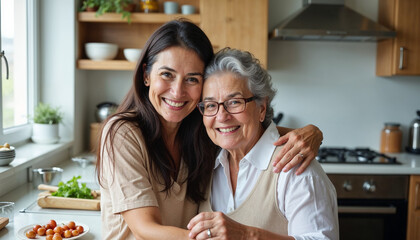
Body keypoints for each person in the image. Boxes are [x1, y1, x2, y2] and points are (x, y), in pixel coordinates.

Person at [96, 20, 323, 239]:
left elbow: (247, 127)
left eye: (192, 79)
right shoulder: (123, 133)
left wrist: (312, 133)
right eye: (167, 74)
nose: (177, 92)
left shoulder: (197, 132)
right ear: (146, 75)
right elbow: (146, 229)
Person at [187, 48, 338, 240]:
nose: (222, 116)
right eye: (210, 105)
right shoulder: (205, 164)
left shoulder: (294, 168)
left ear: (262, 108)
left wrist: (246, 235)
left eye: (234, 102)